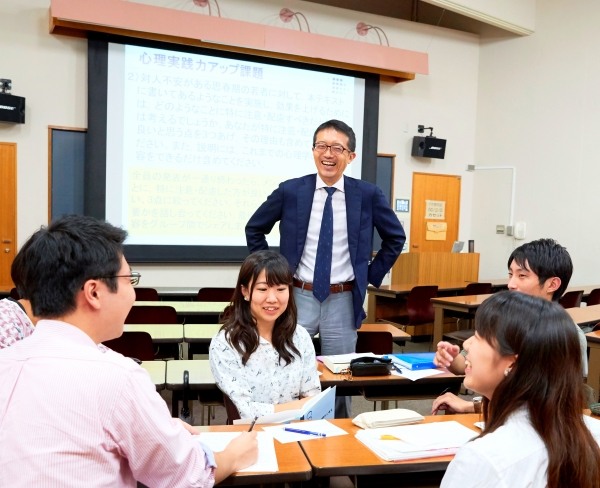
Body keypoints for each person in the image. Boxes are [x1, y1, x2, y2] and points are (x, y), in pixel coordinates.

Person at [0, 215, 257, 487]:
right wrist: (234, 455)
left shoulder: (6, 361)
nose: (133, 293)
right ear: (94, 292)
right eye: (128, 279)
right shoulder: (118, 377)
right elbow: (187, 476)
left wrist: (155, 429)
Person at [246, 119, 405, 417]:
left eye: (337, 148)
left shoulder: (367, 195)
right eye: (322, 146)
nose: (328, 153)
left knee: (341, 377)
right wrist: (269, 274)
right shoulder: (291, 191)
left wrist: (370, 275)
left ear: (350, 156)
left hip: (343, 300)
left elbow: (395, 237)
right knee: (288, 370)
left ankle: (339, 438)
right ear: (313, 150)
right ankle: (285, 425)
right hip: (297, 296)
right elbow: (254, 228)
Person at [440, 291, 600, 488]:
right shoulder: (591, 435)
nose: (466, 343)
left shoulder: (483, 459)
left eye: (479, 337)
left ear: (512, 364)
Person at [432, 238, 589, 415]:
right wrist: (451, 359)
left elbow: (561, 406)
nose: (511, 284)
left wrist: (472, 406)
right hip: (495, 418)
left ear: (552, 284)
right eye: (510, 274)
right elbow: (464, 365)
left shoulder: (567, 336)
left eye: (522, 276)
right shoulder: (501, 322)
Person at [210, 250, 321, 419]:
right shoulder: (226, 343)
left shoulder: (300, 336)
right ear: (245, 291)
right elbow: (244, 411)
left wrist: (303, 407)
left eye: (281, 289)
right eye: (263, 289)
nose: (272, 298)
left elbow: (313, 398)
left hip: (298, 434)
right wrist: (298, 407)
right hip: (251, 436)